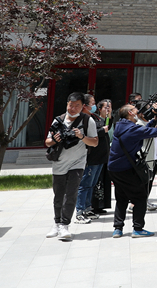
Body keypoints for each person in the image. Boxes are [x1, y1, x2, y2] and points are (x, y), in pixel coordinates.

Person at [108, 102, 157, 238]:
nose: (138, 111)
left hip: (114, 168)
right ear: (130, 113)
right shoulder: (132, 129)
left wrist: (154, 120)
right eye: (135, 109)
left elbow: (142, 130)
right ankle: (138, 228)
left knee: (121, 197)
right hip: (125, 168)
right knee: (140, 196)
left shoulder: (121, 126)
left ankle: (118, 228)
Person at [45, 92, 98, 240]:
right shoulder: (58, 120)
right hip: (59, 163)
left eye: (77, 106)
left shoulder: (88, 120)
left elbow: (94, 142)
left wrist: (81, 136)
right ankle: (57, 223)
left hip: (77, 163)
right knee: (58, 195)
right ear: (67, 104)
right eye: (71, 105)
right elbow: (47, 142)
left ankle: (64, 225)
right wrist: (55, 140)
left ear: (83, 106)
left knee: (71, 194)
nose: (73, 108)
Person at [75, 93, 109, 223]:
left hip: (100, 157)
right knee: (85, 185)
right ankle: (80, 210)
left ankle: (88, 208)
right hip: (90, 157)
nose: (94, 106)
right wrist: (102, 131)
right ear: (85, 106)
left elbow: (105, 126)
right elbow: (86, 136)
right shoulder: (81, 119)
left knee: (92, 184)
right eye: (92, 103)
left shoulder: (94, 117)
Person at [91, 99, 113, 214]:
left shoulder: (108, 120)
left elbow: (109, 129)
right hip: (97, 154)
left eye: (110, 107)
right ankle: (94, 205)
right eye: (106, 107)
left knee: (105, 180)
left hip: (107, 154)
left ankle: (102, 204)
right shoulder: (94, 119)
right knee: (96, 181)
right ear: (99, 109)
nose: (108, 109)